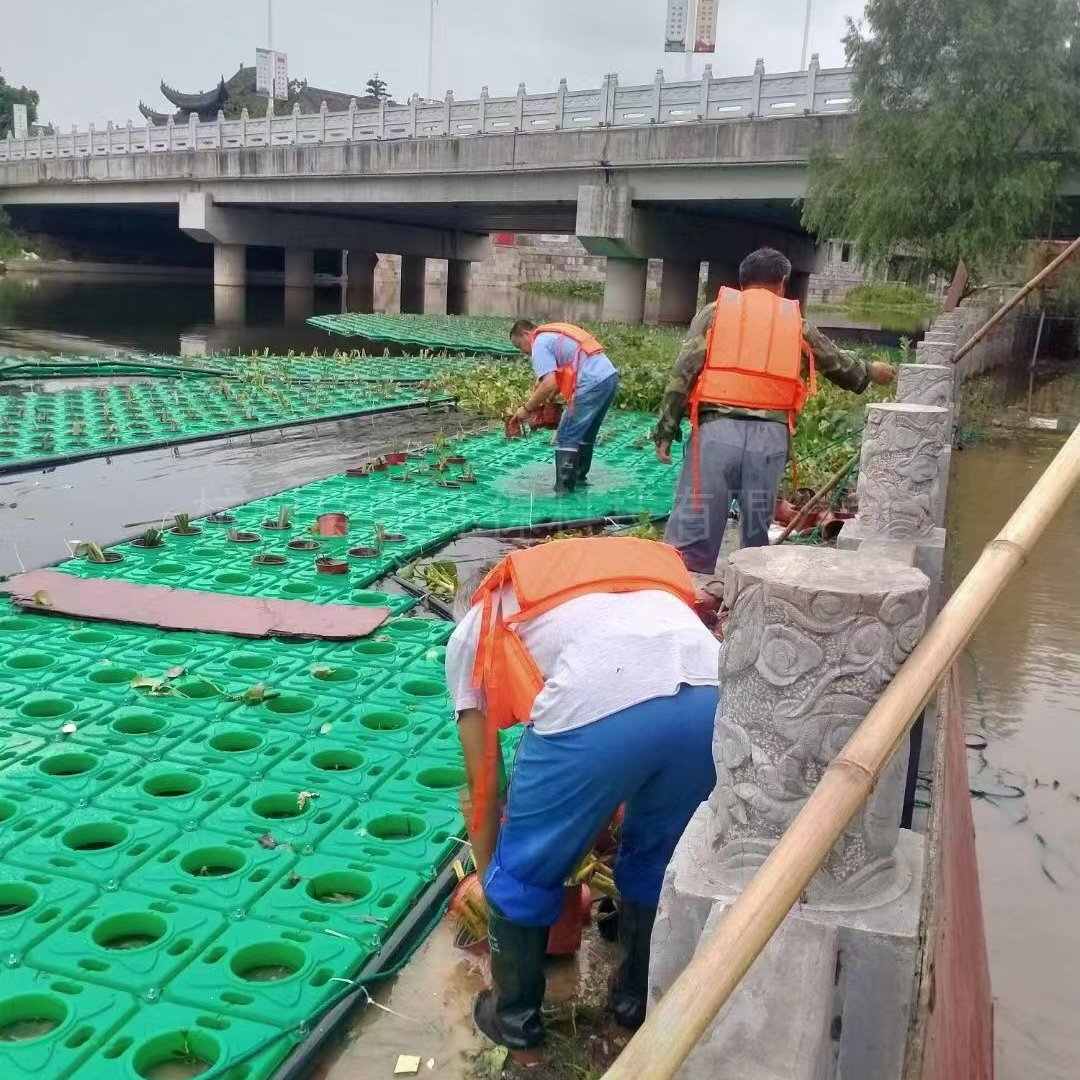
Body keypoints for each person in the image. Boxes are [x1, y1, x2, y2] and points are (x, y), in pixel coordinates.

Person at [445, 536, 721, 1049]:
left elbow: (485, 779)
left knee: (525, 869)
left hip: (600, 700)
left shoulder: (472, 629)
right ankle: (633, 1006)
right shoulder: (587, 582)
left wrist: (495, 876)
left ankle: (516, 1023)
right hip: (711, 691)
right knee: (659, 858)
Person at [653, 247, 895, 574]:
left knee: (694, 531)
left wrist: (666, 430)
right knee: (755, 535)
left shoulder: (714, 313)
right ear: (782, 282)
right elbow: (834, 361)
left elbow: (683, 372)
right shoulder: (795, 322)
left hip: (716, 436)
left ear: (742, 282)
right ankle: (748, 599)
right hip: (769, 442)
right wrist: (869, 369)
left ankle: (688, 600)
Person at [508, 319, 620, 493]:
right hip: (609, 379)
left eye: (519, 346)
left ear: (526, 334)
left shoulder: (539, 343)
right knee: (585, 434)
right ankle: (579, 477)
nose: (523, 352)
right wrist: (547, 398)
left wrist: (526, 408)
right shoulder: (552, 335)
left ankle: (564, 489)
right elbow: (556, 379)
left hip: (591, 383)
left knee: (567, 435)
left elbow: (549, 384)